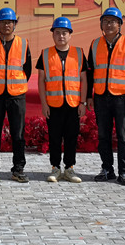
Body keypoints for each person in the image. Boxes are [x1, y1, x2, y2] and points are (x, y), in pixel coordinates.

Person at [87, 7, 125, 186]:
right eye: (105, 21)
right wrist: (89, 96)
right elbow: (90, 72)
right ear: (101, 24)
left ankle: (124, 172)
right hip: (101, 96)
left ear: (119, 25)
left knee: (123, 137)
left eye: (113, 22)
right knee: (103, 136)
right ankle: (107, 169)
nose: (109, 25)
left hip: (122, 98)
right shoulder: (95, 44)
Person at [0, 8, 32, 183]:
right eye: (3, 22)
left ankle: (18, 169)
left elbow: (27, 70)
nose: (6, 25)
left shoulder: (23, 43)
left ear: (15, 24)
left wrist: (14, 83)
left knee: (18, 134)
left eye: (9, 22)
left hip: (17, 95)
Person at [36, 17, 87, 183]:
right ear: (53, 35)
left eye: (64, 33)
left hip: (73, 104)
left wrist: (83, 103)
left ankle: (69, 168)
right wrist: (44, 104)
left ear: (70, 35)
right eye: (57, 32)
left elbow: (84, 79)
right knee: (54, 138)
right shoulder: (45, 54)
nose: (61, 36)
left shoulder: (79, 53)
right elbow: (41, 80)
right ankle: (55, 168)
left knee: (72, 137)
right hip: (53, 104)